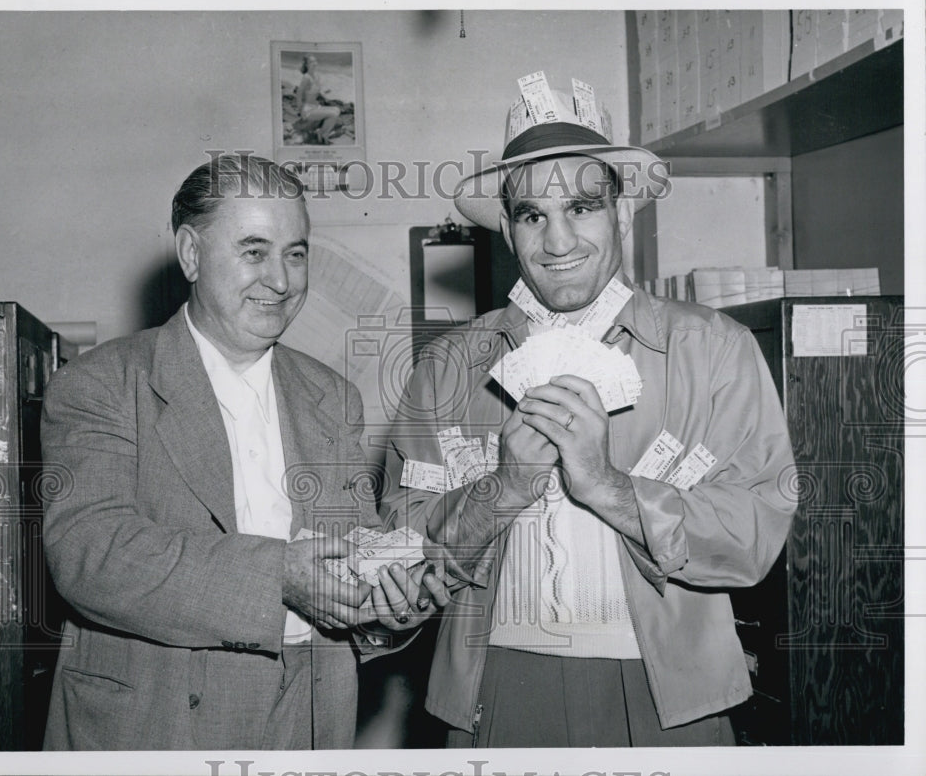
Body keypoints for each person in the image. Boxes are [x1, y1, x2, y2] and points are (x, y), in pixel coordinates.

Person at [381, 80, 797, 747]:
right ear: (509, 233)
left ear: (622, 214)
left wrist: (609, 487)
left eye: (582, 206)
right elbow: (399, 551)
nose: (559, 238)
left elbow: (754, 536)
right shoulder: (449, 367)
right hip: (496, 686)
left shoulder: (715, 349)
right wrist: (502, 490)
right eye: (532, 215)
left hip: (670, 694)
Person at [40, 154, 447, 750]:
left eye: (297, 253)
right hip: (156, 728)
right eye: (254, 251)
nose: (281, 280)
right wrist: (278, 574)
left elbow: (354, 562)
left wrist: (393, 603)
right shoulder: (103, 382)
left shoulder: (333, 398)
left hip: (309, 725)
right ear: (191, 253)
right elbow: (91, 555)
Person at [296, 54, 340, 145]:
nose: (314, 63)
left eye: (315, 61)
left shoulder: (317, 76)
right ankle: (323, 134)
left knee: (337, 109)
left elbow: (317, 92)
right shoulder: (306, 77)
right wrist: (300, 110)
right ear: (307, 65)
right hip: (308, 109)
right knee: (333, 114)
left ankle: (321, 132)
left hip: (316, 107)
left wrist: (326, 93)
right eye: (311, 62)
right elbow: (299, 94)